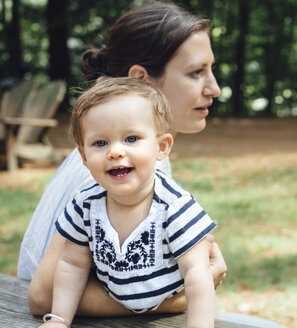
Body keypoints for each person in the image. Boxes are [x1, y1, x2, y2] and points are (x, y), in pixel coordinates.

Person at [20, 2, 283, 327]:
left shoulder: (131, 162)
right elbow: (41, 296)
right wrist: (180, 299)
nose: (213, 88)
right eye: (195, 72)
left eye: (211, 70)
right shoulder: (101, 174)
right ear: (142, 80)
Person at [39, 77, 216, 328]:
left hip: (172, 314)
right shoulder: (85, 204)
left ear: (161, 147)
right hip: (113, 313)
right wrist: (59, 320)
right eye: (100, 143)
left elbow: (197, 275)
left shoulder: (173, 207)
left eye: (131, 139)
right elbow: (72, 264)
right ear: (84, 156)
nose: (115, 151)